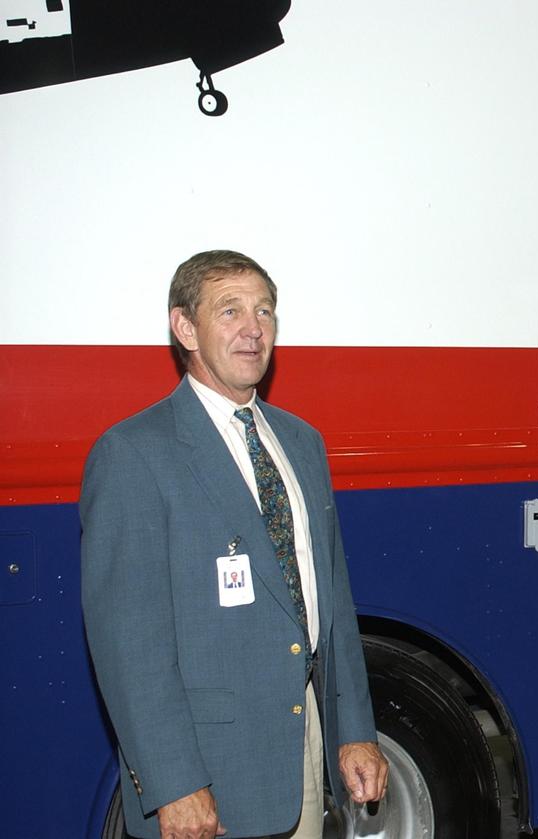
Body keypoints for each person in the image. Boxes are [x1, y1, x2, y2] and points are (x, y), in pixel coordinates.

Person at [81, 250, 388, 839]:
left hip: (301, 752)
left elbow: (333, 605)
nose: (254, 329)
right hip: (207, 776)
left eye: (264, 311)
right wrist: (174, 783)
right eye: (230, 311)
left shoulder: (301, 443)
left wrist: (354, 730)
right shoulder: (134, 454)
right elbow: (131, 647)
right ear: (185, 328)